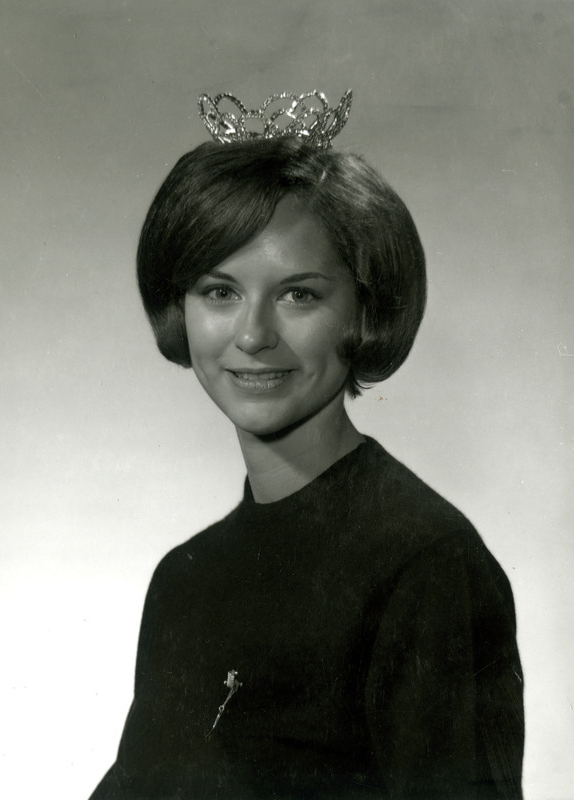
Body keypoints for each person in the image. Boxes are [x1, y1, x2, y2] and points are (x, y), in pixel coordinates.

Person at [90, 91, 524, 799]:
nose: (254, 335)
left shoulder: (425, 564)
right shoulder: (186, 578)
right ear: (180, 311)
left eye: (299, 296)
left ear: (366, 311)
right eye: (219, 291)